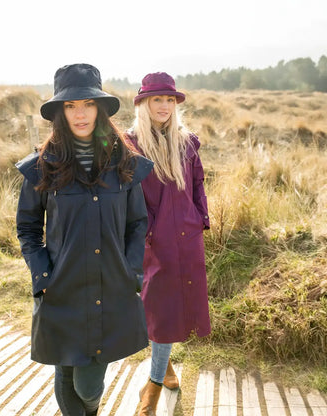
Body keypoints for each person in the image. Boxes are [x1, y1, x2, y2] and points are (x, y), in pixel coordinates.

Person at [15, 63, 153, 416]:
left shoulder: (124, 163)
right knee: (65, 369)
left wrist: (132, 271)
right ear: (60, 112)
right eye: (71, 106)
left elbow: (138, 223)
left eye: (87, 104)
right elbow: (28, 228)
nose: (80, 113)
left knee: (87, 385)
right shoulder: (42, 167)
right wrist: (43, 277)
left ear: (100, 109)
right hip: (63, 287)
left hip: (112, 286)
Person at [125, 72, 211, 416]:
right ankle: (164, 369)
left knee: (167, 311)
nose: (164, 106)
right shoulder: (131, 145)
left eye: (169, 100)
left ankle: (155, 383)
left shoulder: (187, 142)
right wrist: (143, 235)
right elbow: (127, 196)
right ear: (144, 103)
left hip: (186, 239)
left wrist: (200, 220)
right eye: (157, 99)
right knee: (155, 311)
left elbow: (198, 185)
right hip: (149, 243)